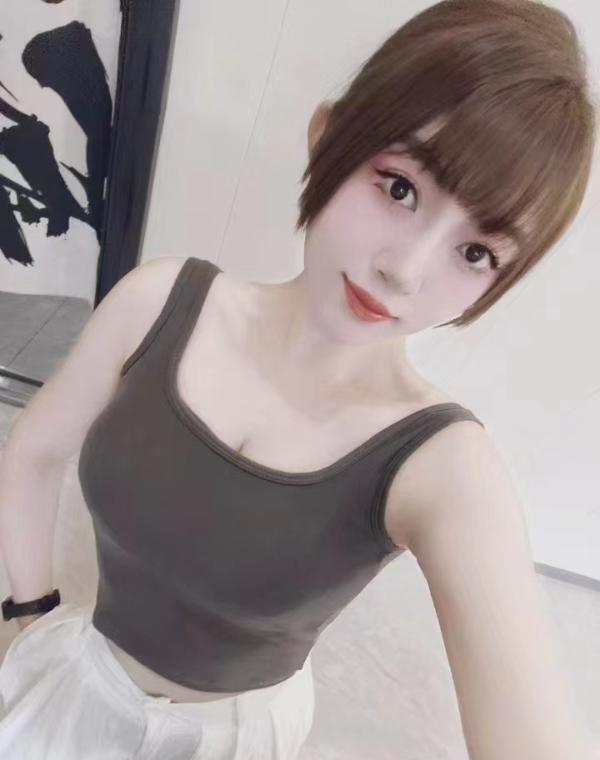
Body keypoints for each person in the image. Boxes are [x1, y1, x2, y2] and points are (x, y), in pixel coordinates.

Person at [0, 0, 597, 758]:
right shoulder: (157, 302)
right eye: (400, 187)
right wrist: (26, 614)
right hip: (77, 674)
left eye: (476, 252)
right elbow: (34, 451)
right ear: (327, 137)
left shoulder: (441, 465)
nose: (403, 270)